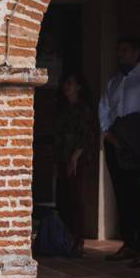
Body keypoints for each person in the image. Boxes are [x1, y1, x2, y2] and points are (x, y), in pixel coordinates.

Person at [99, 36, 140, 267]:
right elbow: (104, 108)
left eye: (125, 50)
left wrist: (129, 134)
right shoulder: (113, 81)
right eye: (119, 51)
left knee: (137, 195)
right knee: (121, 194)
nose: (120, 55)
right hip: (114, 141)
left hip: (134, 139)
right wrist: (108, 134)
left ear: (136, 52)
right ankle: (129, 244)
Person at [53, 72, 97, 257]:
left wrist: (74, 159)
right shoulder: (64, 110)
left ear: (79, 86)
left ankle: (78, 241)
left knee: (76, 200)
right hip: (63, 158)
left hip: (78, 161)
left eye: (70, 83)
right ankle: (66, 238)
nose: (66, 86)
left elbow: (87, 137)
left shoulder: (84, 110)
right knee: (63, 199)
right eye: (66, 83)